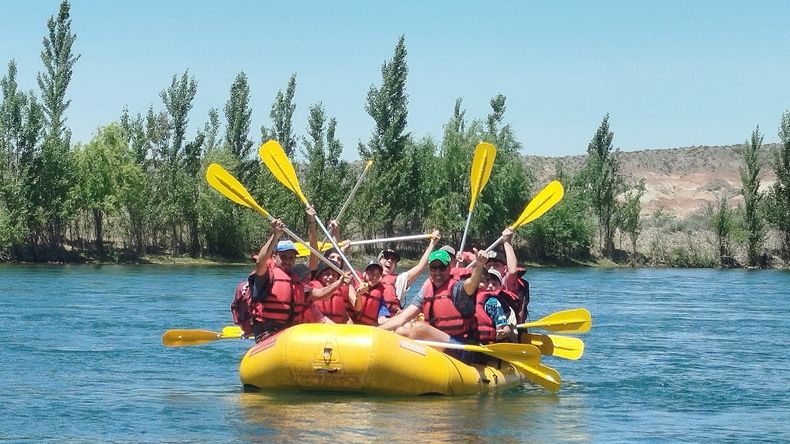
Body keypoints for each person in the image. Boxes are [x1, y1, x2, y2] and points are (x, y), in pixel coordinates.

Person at [377, 249, 489, 361]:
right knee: (401, 330)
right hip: (440, 343)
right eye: (433, 268)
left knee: (420, 327)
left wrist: (479, 266)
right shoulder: (426, 290)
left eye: (442, 268)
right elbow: (403, 317)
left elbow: (472, 283)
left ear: (449, 268)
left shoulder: (457, 288)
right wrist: (377, 331)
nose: (437, 272)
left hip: (462, 346)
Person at [249, 219, 334, 342]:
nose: (288, 261)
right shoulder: (266, 275)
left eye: (291, 257)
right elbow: (260, 261)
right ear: (274, 256)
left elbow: (320, 294)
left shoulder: (296, 282)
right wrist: (275, 234)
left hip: (289, 334)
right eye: (283, 257)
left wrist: (340, 282)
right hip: (266, 334)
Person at [378, 229, 441, 306]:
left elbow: (421, 266)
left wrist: (432, 243)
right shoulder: (367, 278)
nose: (390, 261)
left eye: (393, 260)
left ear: (395, 266)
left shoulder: (400, 280)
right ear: (379, 260)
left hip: (390, 317)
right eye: (386, 257)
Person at [485, 227, 530, 323]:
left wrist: (507, 242)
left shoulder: (506, 282)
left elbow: (513, 271)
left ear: (505, 269)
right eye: (489, 265)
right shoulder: (481, 281)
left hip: (508, 330)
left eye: (496, 265)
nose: (492, 268)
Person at [475, 269, 519, 343]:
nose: (490, 286)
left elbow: (507, 331)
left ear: (500, 287)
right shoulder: (469, 298)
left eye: (494, 284)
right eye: (487, 282)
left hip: (493, 344)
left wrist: (501, 333)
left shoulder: (493, 302)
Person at [349, 261, 396, 325]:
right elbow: (357, 308)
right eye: (371, 273)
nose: (374, 277)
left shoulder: (379, 296)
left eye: (378, 275)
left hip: (368, 329)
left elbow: (381, 318)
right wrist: (359, 294)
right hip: (351, 325)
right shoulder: (353, 284)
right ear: (364, 273)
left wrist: (397, 319)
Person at [310, 260, 354, 324]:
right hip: (316, 331)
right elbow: (321, 294)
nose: (330, 277)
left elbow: (345, 318)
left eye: (334, 274)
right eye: (327, 274)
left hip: (335, 330)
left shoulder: (338, 292)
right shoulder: (310, 289)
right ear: (319, 275)